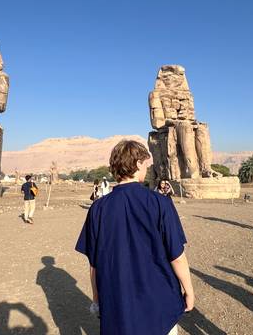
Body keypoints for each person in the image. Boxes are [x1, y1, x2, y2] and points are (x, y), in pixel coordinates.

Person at [76, 140, 194, 335]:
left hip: (117, 303)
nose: (147, 169)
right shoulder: (160, 203)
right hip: (159, 302)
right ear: (138, 163)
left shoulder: (98, 208)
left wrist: (97, 298)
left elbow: (94, 263)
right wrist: (188, 290)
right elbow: (177, 255)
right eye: (146, 164)